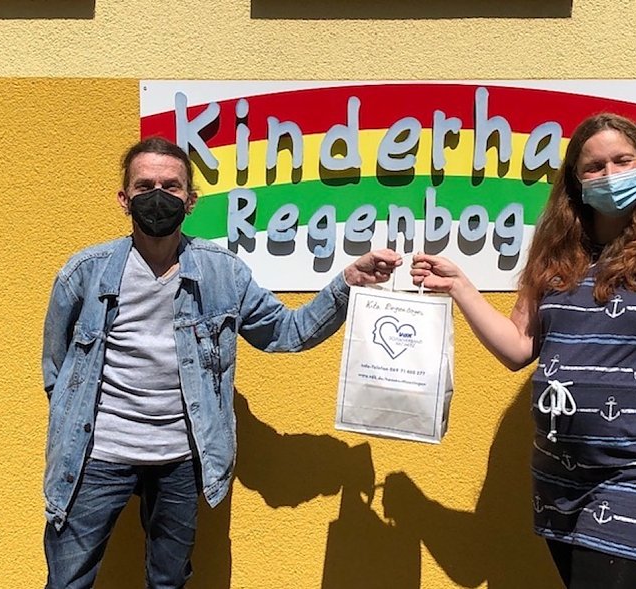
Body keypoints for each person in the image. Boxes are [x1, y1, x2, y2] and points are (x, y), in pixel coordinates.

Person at [41, 136, 401, 589]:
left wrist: (347, 283)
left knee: (169, 581)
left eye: (171, 187)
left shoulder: (222, 273)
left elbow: (287, 333)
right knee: (68, 581)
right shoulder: (85, 273)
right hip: (95, 457)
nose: (157, 196)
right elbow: (58, 370)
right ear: (124, 199)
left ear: (190, 201)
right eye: (145, 185)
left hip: (179, 459)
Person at [410, 113, 636, 589]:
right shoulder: (556, 254)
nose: (609, 175)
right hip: (560, 481)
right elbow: (520, 348)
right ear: (576, 181)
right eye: (594, 167)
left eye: (622, 161)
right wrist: (460, 288)